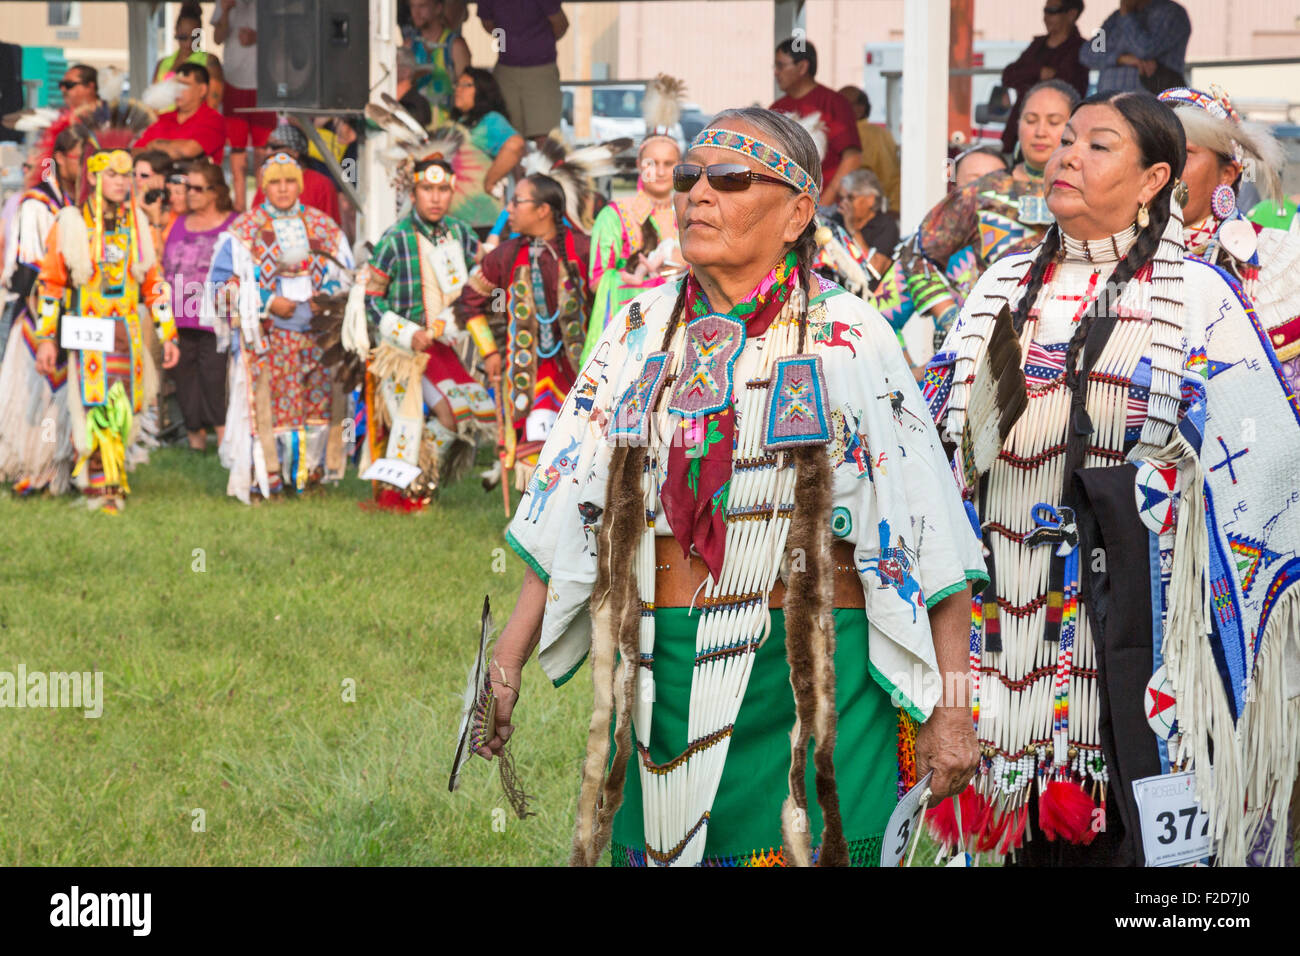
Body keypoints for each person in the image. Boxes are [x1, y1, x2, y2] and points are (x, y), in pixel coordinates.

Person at [476, 108, 985, 867]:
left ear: (797, 214)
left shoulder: (849, 336)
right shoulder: (637, 329)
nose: (698, 196)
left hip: (817, 677)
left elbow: (929, 531)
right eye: (689, 178)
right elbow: (569, 501)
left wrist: (954, 705)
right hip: (664, 672)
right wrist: (507, 659)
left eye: (731, 179)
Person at [924, 91, 1300, 866]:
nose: (1065, 154)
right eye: (1063, 140)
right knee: (1013, 834)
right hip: (1008, 632)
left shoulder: (1198, 299)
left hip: (1145, 640)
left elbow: (1266, 469)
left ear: (1153, 178)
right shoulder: (998, 288)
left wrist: (1166, 488)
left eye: (1097, 145)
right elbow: (935, 440)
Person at [32, 114, 180, 513]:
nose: (120, 181)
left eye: (126, 175)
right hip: (89, 327)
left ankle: (113, 475)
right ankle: (101, 483)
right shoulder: (72, 224)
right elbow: (52, 286)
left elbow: (154, 283)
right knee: (93, 402)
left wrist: (168, 332)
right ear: (94, 177)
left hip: (127, 329)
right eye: (111, 174)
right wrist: (46, 338)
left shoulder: (140, 228)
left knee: (123, 403)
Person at [894, 80, 1078, 357]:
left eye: (1054, 122)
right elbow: (915, 253)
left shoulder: (1090, 194)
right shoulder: (984, 192)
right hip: (992, 351)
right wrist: (951, 316)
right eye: (1030, 120)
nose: (1040, 132)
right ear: (1017, 125)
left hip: (1071, 346)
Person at [211, 152, 354, 502]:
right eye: (275, 182)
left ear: (300, 184)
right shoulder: (244, 232)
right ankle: (267, 478)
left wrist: (328, 299)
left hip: (318, 338)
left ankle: (308, 476)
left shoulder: (324, 228)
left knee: (317, 408)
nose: (283, 189)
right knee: (268, 408)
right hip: (268, 339)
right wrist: (266, 301)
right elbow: (219, 287)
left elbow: (348, 277)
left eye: (290, 181)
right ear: (264, 186)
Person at [364, 156, 496, 506]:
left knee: (460, 414)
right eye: (427, 189)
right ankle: (401, 493)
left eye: (442, 190)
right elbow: (371, 300)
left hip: (445, 345)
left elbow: (481, 283)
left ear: (451, 192)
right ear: (413, 192)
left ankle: (422, 481)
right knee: (407, 423)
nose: (435, 198)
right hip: (401, 350)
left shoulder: (461, 234)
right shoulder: (394, 240)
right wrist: (408, 333)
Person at [1159, 86, 1300, 396]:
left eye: (1184, 152)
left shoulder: (1281, 260)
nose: (1164, 168)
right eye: (1152, 152)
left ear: (1227, 174)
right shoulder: (1107, 252)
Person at [454, 173, 590, 491]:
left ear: (543, 210)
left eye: (516, 202)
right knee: (536, 446)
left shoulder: (582, 249)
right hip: (529, 376)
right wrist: (488, 351)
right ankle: (534, 522)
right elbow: (469, 304)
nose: (509, 210)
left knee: (580, 448)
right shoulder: (504, 255)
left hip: (581, 372)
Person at [0, 126, 86, 495]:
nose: (83, 167)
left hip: (68, 314)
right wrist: (46, 321)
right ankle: (32, 466)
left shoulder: (71, 203)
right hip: (39, 317)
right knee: (40, 394)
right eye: (79, 158)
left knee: (59, 396)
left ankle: (55, 465)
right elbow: (28, 272)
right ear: (62, 158)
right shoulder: (38, 205)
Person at [582, 74, 684, 366]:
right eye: (653, 163)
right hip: (629, 332)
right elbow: (598, 280)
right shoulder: (614, 215)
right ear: (640, 165)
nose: (661, 171)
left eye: (669, 163)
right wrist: (647, 281)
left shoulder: (691, 214)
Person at [161, 159, 237, 453]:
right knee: (184, 377)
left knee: (214, 379)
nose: (189, 193)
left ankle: (222, 440)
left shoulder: (233, 224)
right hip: (179, 315)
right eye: (186, 187)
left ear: (215, 191)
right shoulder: (178, 222)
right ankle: (195, 441)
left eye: (196, 188)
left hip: (217, 317)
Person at [771, 38, 861, 206]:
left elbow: (852, 158)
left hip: (828, 209)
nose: (776, 72)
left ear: (802, 67)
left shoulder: (835, 103)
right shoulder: (776, 108)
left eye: (781, 65)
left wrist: (824, 203)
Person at [999, 0, 1088, 156]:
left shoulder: (1081, 49)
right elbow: (1009, 74)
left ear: (1071, 14)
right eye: (1045, 11)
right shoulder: (1037, 45)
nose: (1046, 17)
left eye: (1052, 11)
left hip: (1058, 141)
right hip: (1018, 133)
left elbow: (1068, 87)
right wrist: (1038, 72)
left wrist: (1028, 78)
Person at [213, 0, 275, 211]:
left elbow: (286, 37)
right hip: (233, 81)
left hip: (265, 83)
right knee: (237, 148)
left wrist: (258, 37)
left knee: (262, 150)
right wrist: (225, 11)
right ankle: (239, 204)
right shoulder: (223, 3)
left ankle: (262, 203)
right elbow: (216, 38)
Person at [448, 67, 527, 230]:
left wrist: (490, 181)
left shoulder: (490, 120)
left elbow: (515, 145)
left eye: (466, 85)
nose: (458, 89)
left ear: (482, 90)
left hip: (481, 218)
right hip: (456, 220)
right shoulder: (460, 122)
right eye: (457, 84)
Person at [477, 0, 567, 144]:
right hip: (506, 69)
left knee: (546, 137)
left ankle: (546, 167)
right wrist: (511, 40)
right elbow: (487, 23)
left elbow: (561, 24)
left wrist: (537, 42)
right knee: (507, 136)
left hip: (541, 69)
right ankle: (514, 166)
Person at [1078, 0, 1191, 95]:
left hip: (1149, 105)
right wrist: (1121, 58)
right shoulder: (1115, 19)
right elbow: (1087, 54)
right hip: (1109, 101)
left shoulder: (1171, 13)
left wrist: (1127, 15)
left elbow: (1144, 49)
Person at [249, 123, 342, 226]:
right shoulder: (268, 183)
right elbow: (254, 224)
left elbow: (331, 228)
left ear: (295, 152)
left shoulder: (321, 184)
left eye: (275, 147)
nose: (268, 152)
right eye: (267, 147)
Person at [135, 62, 226, 164]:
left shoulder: (214, 120)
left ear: (202, 90)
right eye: (176, 85)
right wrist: (173, 149)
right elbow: (136, 152)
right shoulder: (161, 119)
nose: (178, 90)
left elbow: (188, 151)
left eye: (185, 85)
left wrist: (154, 145)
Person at [407, 0, 471, 127]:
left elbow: (467, 92)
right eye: (412, 6)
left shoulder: (455, 46)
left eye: (422, 6)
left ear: (438, 8)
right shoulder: (409, 45)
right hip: (415, 127)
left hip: (448, 128)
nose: (416, 12)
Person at [151, 1, 224, 113]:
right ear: (176, 32)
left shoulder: (209, 61)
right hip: (164, 125)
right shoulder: (163, 63)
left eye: (195, 38)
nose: (189, 43)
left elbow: (213, 105)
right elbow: (153, 104)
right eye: (183, 37)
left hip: (195, 126)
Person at [837, 85, 900, 213]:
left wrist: (894, 210)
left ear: (860, 108)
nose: (837, 108)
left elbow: (892, 177)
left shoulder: (876, 134)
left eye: (843, 104)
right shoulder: (833, 132)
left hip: (866, 212)